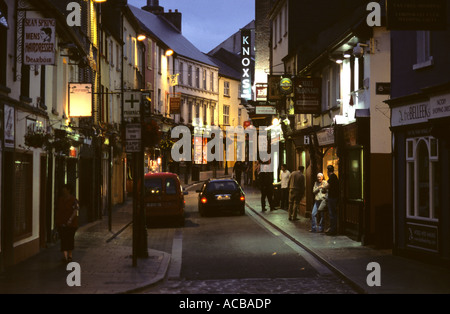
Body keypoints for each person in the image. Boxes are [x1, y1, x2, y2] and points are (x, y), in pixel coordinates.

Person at [55, 183, 79, 263]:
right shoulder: (60, 199)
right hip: (61, 222)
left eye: (64, 189)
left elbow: (75, 210)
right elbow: (58, 210)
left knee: (69, 239)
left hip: (71, 224)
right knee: (63, 239)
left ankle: (70, 255)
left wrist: (70, 220)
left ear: (68, 190)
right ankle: (65, 256)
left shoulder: (73, 200)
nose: (63, 190)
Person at [326, 165, 339, 236]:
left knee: (332, 214)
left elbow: (327, 186)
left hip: (332, 198)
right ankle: (333, 228)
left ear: (328, 171)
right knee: (333, 213)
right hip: (335, 197)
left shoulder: (332, 177)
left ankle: (333, 229)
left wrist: (324, 186)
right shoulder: (335, 177)